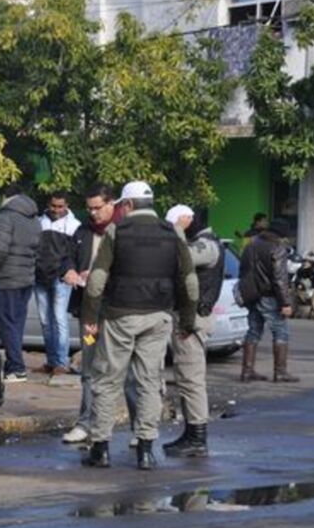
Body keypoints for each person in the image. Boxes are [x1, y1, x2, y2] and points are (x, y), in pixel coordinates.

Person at [80, 181, 198, 471]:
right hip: (158, 316)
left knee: (107, 381)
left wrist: (90, 322)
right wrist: (188, 320)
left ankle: (101, 449)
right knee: (148, 382)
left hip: (119, 315)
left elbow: (96, 282)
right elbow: (190, 282)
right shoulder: (174, 232)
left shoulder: (116, 231)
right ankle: (146, 450)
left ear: (128, 205)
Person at [61, 184, 138, 445]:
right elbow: (67, 258)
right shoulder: (82, 232)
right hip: (90, 315)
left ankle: (139, 430)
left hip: (119, 313)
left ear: (112, 204)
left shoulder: (125, 232)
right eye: (89, 208)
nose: (93, 213)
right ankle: (86, 424)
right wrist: (70, 271)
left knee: (127, 371)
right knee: (89, 367)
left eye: (98, 207)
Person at [162, 205, 224, 458]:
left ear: (188, 220)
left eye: (176, 223)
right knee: (186, 377)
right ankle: (190, 433)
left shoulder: (206, 245)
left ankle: (197, 437)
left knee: (191, 378)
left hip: (194, 319)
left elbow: (180, 257)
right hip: (191, 317)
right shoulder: (203, 241)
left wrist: (175, 232)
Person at [0, 187, 42, 382]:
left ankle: (16, 368)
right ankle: (14, 366)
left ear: (4, 196)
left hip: (6, 278)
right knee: (16, 325)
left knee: (6, 325)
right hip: (26, 278)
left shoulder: (6, 216)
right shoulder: (33, 218)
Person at [238, 218, 299, 383]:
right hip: (270, 296)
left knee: (253, 332)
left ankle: (247, 371)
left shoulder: (251, 244)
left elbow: (243, 270)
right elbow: (279, 278)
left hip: (252, 295)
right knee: (281, 332)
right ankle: (280, 372)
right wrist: (285, 303)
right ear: (282, 234)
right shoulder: (278, 248)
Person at [34, 192, 80, 376]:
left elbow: (74, 253)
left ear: (67, 205)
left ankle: (61, 362)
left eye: (61, 206)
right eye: (54, 206)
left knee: (59, 319)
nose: (57, 210)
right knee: (46, 321)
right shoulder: (39, 222)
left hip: (61, 277)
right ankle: (52, 361)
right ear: (48, 204)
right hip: (40, 276)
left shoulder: (74, 225)